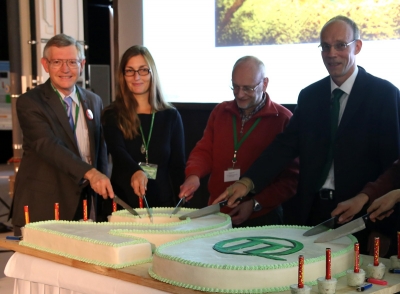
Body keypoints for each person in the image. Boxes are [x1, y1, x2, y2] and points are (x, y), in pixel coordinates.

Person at [213, 15, 400, 252]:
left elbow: (393, 167)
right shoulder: (310, 96)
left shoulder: (384, 95)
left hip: (362, 215)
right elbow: (284, 147)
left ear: (358, 46)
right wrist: (248, 182)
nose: (332, 53)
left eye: (341, 45)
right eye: (325, 46)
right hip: (310, 214)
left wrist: (384, 229)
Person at [11, 34, 113, 236]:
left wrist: (102, 196)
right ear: (45, 64)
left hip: (87, 206)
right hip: (46, 206)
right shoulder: (30, 102)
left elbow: (100, 152)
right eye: (57, 62)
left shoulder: (94, 101)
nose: (65, 69)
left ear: (82, 64)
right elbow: (48, 145)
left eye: (72, 62)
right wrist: (91, 174)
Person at [179, 56, 298, 227]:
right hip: (218, 215)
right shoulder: (221, 111)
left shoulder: (283, 119)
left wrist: (256, 203)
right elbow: (204, 150)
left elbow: (290, 179)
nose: (240, 94)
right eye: (235, 86)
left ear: (264, 84)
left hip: (261, 217)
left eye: (247, 88)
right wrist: (193, 175)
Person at [101, 45, 185, 209]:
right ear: (123, 76)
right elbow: (118, 152)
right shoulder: (112, 114)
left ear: (152, 73)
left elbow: (178, 166)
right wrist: (136, 171)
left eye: (143, 70)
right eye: (130, 71)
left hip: (164, 204)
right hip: (124, 204)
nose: (136, 76)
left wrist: (181, 202)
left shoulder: (170, 116)